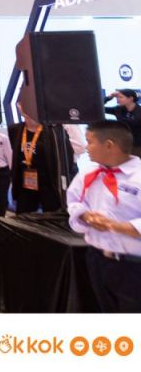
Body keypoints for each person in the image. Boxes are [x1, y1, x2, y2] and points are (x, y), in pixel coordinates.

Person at [67, 122, 141, 313]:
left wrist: (115, 226)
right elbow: (74, 201)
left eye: (90, 141)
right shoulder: (89, 173)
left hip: (133, 265)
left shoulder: (138, 176)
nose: (86, 147)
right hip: (97, 258)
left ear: (109, 145)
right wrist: (85, 216)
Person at [9, 102, 77, 214]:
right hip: (25, 182)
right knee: (23, 216)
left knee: (52, 215)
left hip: (49, 182)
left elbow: (67, 156)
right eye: (21, 104)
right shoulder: (15, 129)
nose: (25, 108)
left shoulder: (53, 130)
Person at [105, 89, 141, 155]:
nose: (118, 99)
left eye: (120, 97)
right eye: (117, 97)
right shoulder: (118, 109)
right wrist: (109, 97)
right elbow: (98, 107)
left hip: (137, 146)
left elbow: (132, 123)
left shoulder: (139, 111)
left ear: (130, 98)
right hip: (122, 144)